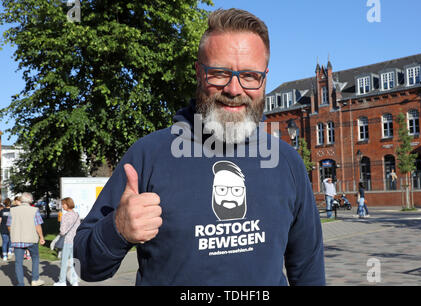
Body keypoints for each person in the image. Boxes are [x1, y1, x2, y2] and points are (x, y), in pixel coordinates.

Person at [74, 8, 325, 286]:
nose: (234, 89)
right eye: (219, 73)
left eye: (250, 76)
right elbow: (83, 266)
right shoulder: (148, 155)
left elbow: (308, 269)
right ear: (198, 73)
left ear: (263, 79)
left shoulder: (286, 161)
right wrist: (117, 231)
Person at [7, 192, 46, 286]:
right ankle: (35, 280)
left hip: (17, 239)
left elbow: (8, 225)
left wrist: (13, 233)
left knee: (18, 263)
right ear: (31, 200)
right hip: (31, 239)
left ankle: (21, 283)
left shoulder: (13, 210)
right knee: (35, 258)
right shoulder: (34, 210)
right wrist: (41, 237)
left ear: (21, 200)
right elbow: (38, 225)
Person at [54, 197, 81, 286]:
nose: (62, 206)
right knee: (74, 261)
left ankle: (62, 281)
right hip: (75, 241)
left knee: (64, 262)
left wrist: (60, 231)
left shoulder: (65, 216)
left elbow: (62, 231)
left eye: (63, 204)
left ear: (67, 204)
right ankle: (75, 281)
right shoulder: (77, 215)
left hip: (67, 241)